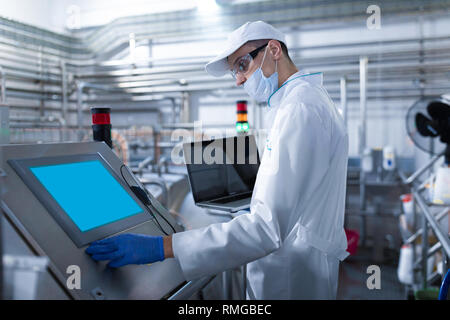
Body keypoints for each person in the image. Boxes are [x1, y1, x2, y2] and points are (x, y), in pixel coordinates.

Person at [86, 21, 349, 299]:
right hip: (304, 262)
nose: (238, 79)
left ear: (273, 50)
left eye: (242, 64)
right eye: (234, 70)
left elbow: (266, 229)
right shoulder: (305, 101)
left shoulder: (299, 108)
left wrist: (162, 247)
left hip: (291, 275)